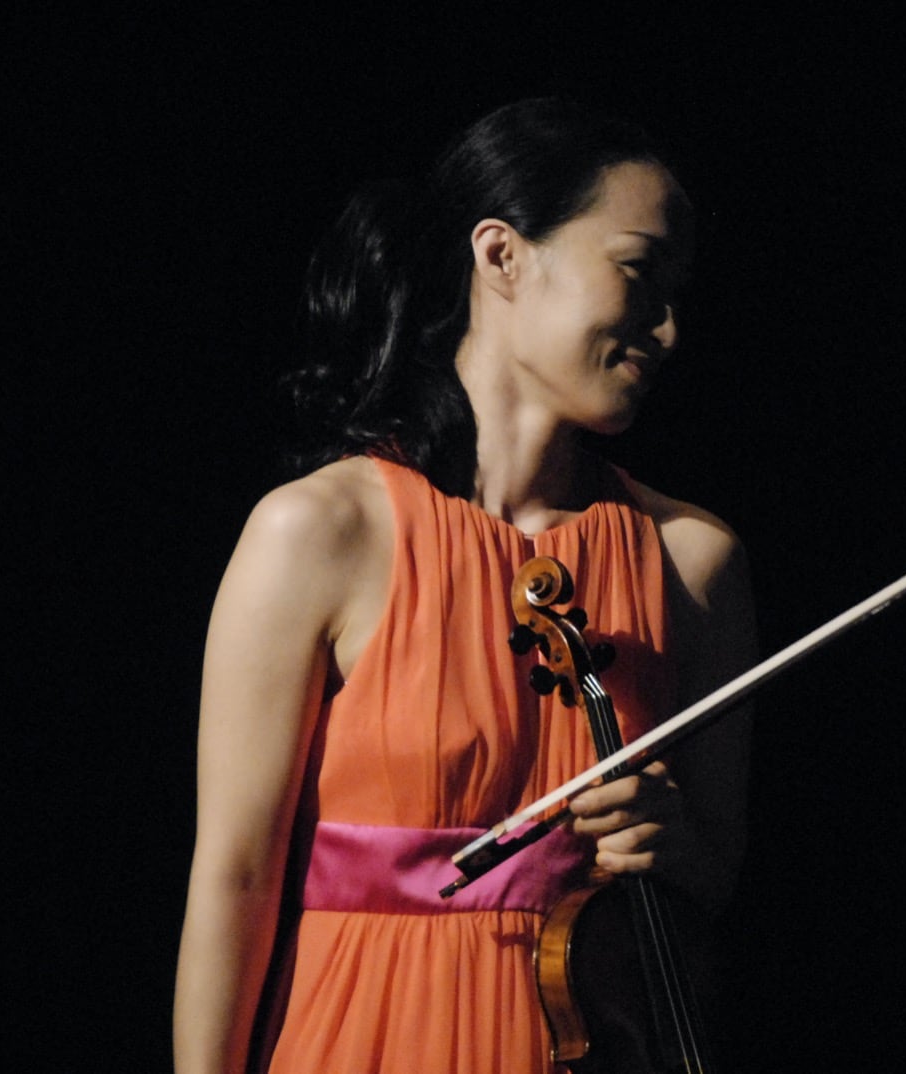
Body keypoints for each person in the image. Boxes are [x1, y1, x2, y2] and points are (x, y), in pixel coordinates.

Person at [172, 98, 756, 1074]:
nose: (666, 328)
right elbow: (235, 879)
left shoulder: (693, 562)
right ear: (501, 255)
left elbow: (716, 879)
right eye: (637, 272)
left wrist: (673, 844)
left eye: (677, 293)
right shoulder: (319, 532)